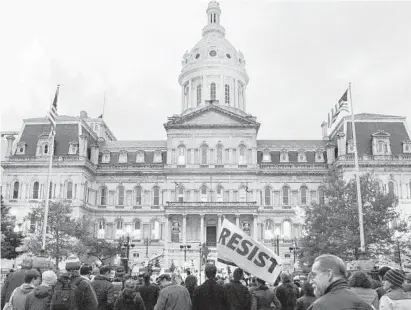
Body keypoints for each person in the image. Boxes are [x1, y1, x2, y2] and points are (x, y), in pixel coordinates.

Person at [308, 254, 373, 310]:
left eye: (313, 275)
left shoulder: (318, 307)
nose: (310, 281)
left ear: (329, 274)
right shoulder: (366, 305)